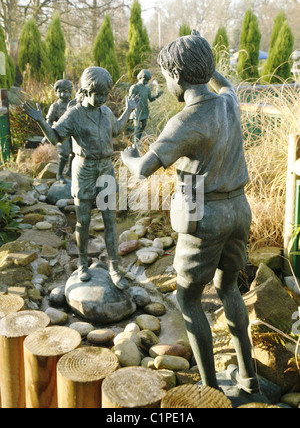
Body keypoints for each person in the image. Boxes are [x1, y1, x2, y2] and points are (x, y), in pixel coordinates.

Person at [121, 33, 259, 393]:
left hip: (205, 213)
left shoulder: (185, 121)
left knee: (187, 298)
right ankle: (250, 380)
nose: (166, 82)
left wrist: (127, 154)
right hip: (239, 208)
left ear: (177, 77)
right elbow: (225, 83)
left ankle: (209, 391)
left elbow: (142, 170)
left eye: (166, 76)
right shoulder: (228, 102)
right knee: (229, 288)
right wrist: (207, 62)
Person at [24, 66, 138, 289]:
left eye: (105, 94)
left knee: (109, 221)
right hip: (84, 169)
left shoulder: (105, 111)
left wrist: (127, 111)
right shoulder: (75, 114)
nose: (103, 99)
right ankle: (83, 264)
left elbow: (115, 130)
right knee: (83, 221)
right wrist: (41, 121)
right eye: (99, 95)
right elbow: (56, 136)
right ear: (86, 91)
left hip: (105, 168)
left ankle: (114, 267)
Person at [46, 79, 74, 183]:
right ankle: (59, 174)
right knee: (64, 154)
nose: (62, 94)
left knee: (74, 153)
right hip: (61, 134)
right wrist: (47, 134)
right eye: (59, 92)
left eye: (65, 91)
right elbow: (49, 120)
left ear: (70, 92)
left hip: (73, 132)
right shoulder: (55, 106)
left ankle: (70, 171)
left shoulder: (73, 104)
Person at [129, 69, 162, 143]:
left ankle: (138, 141)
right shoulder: (134, 87)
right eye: (145, 80)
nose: (146, 82)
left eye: (147, 80)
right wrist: (130, 110)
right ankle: (135, 144)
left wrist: (157, 95)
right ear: (140, 77)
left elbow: (150, 99)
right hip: (137, 110)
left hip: (144, 110)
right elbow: (130, 100)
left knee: (143, 126)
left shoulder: (147, 89)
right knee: (137, 128)